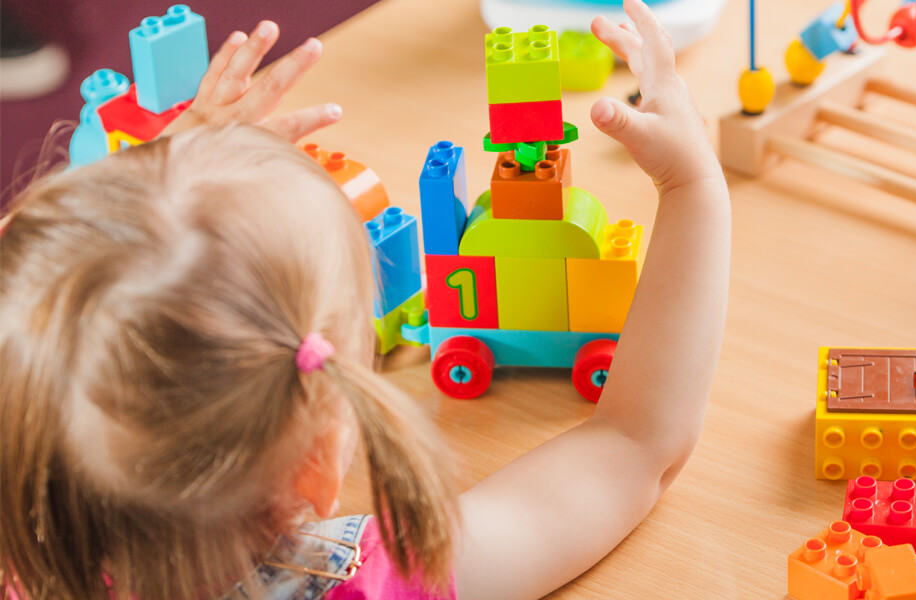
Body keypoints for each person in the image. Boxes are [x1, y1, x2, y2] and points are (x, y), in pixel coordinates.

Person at [0, 0, 730, 598]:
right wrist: (693, 185)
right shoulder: (373, 583)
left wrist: (148, 179)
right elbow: (634, 444)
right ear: (318, 463)